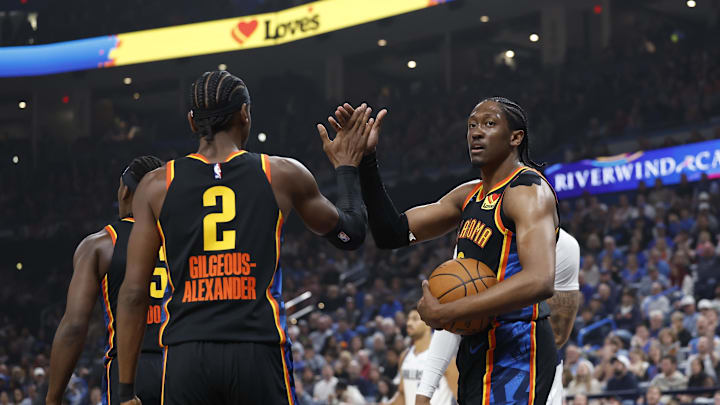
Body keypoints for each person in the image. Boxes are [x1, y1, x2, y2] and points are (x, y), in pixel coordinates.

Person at [115, 71, 373, 405]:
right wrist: (348, 167)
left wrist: (125, 391)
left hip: (186, 354)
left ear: (192, 123)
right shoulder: (280, 174)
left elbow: (134, 294)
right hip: (256, 349)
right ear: (245, 114)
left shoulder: (154, 185)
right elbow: (350, 234)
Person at [337, 97, 560, 405]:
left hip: (517, 343)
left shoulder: (527, 191)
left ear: (515, 137)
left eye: (489, 124)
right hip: (474, 346)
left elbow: (540, 280)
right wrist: (367, 160)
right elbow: (392, 232)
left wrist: (447, 312)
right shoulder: (467, 196)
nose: (476, 132)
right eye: (471, 125)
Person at [46, 156, 165, 405]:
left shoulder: (100, 244)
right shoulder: (187, 239)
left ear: (124, 192)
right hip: (182, 366)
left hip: (128, 372)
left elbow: (74, 328)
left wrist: (53, 399)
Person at [383, 310, 458, 405]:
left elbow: (459, 395)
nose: (409, 323)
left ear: (429, 323)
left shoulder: (444, 355)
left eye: (415, 319)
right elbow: (402, 395)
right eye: (408, 319)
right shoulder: (404, 356)